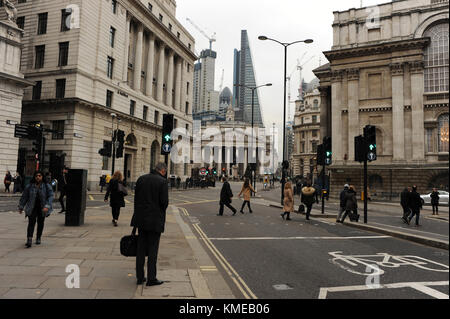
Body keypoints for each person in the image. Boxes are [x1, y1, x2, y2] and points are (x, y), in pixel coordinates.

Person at [132, 163, 169, 286]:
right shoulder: (162, 182)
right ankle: (151, 278)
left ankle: (139, 277)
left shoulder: (141, 179)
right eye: (165, 172)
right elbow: (164, 203)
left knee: (141, 249)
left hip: (141, 219)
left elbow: (136, 200)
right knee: (153, 250)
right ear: (162, 171)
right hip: (154, 220)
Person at [18, 171, 54, 248]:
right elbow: (24, 197)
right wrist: (21, 207)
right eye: (36, 176)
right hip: (32, 207)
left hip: (42, 207)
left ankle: (38, 237)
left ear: (42, 177)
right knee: (31, 222)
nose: (38, 177)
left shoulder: (47, 186)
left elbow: (51, 196)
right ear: (34, 177)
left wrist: (47, 206)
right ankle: (29, 239)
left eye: (39, 176)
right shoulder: (30, 186)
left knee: (40, 223)